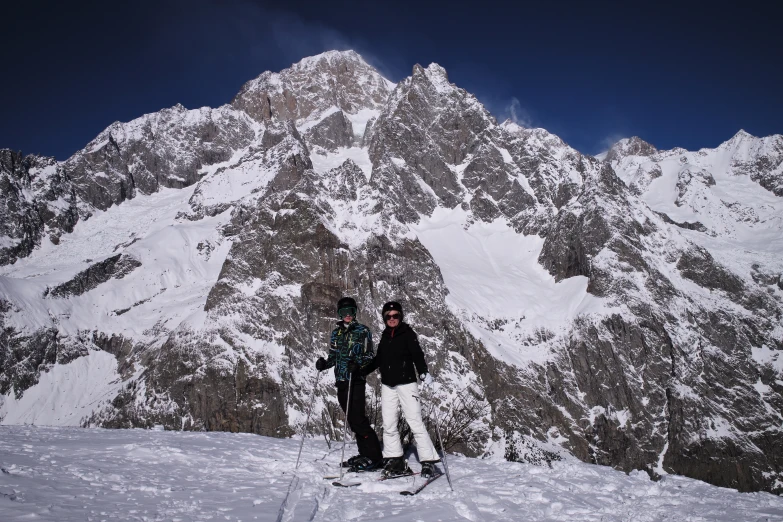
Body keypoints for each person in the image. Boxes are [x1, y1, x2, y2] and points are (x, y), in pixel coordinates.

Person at [361, 301, 440, 478]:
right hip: (388, 385)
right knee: (388, 424)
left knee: (414, 421)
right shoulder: (385, 336)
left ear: (400, 316)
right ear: (384, 318)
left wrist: (423, 373)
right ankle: (395, 458)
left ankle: (428, 461)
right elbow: (378, 359)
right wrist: (362, 371)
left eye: (395, 315)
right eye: (388, 316)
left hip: (407, 384)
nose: (392, 319)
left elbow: (417, 354)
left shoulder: (407, 334)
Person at [315, 296, 383, 471]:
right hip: (342, 381)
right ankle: (364, 453)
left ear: (355, 312)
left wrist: (358, 364)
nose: (347, 315)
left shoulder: (363, 331)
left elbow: (369, 355)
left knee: (359, 420)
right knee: (352, 421)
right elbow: (333, 356)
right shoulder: (336, 333)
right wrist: (324, 364)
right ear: (339, 313)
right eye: (344, 312)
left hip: (356, 380)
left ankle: (375, 457)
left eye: (350, 312)